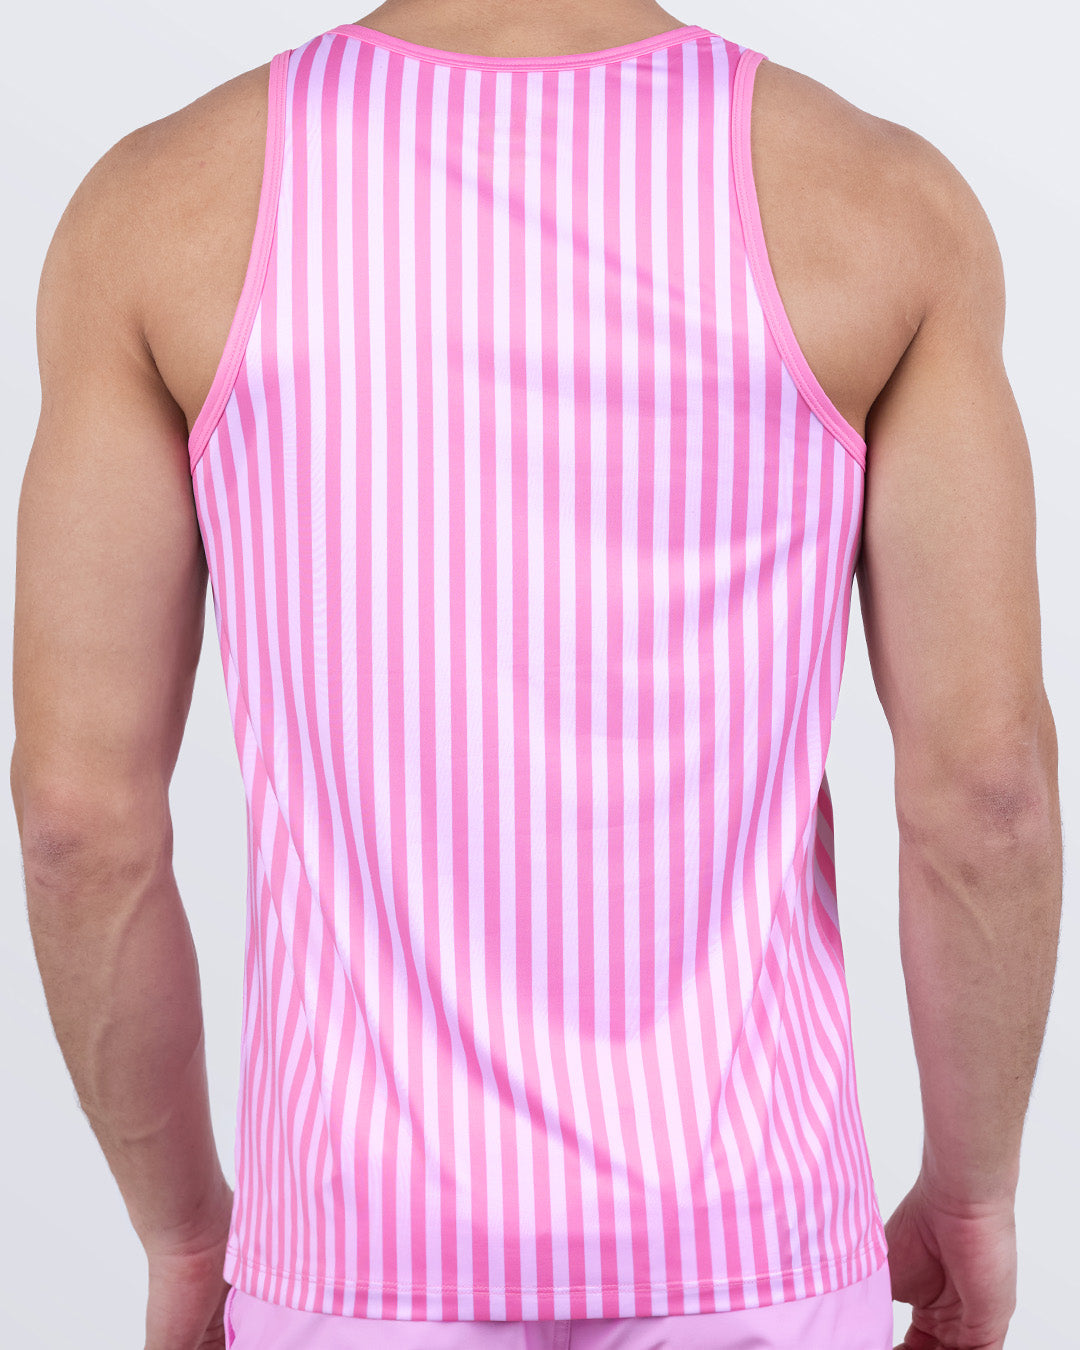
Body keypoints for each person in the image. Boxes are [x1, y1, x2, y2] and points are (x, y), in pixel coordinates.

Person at [10, 1, 1062, 1348]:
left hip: (350, 1257)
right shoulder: (880, 202)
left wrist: (183, 1235)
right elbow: (988, 796)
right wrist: (973, 1196)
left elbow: (77, 825)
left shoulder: (159, 212)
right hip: (757, 1247)